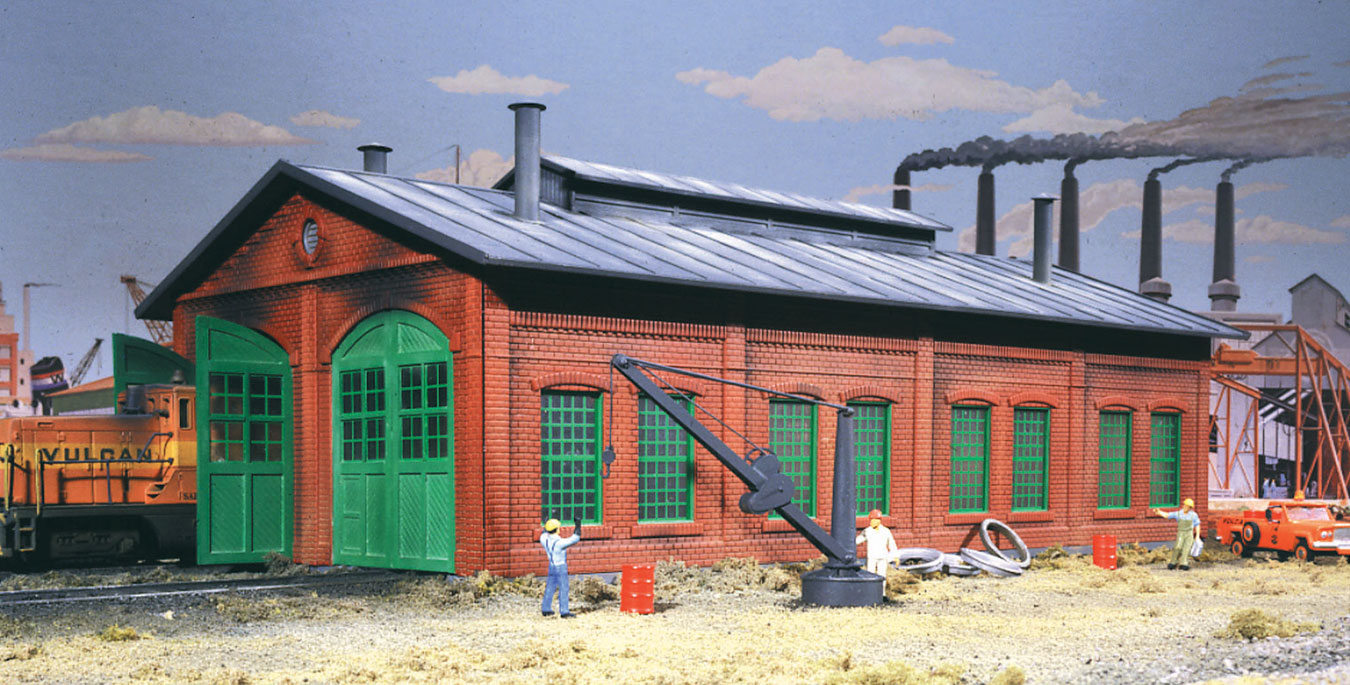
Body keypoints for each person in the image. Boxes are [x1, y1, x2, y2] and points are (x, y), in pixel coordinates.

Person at [540, 515, 582, 618]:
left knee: (550, 587)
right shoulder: (559, 543)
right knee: (564, 588)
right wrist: (578, 524)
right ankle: (564, 611)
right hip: (560, 566)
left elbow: (544, 532)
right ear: (557, 529)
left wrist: (546, 524)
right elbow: (575, 538)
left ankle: (546, 608)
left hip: (551, 565)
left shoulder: (543, 539)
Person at [1153, 498, 1200, 570]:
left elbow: (1197, 525)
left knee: (1186, 548)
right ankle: (1173, 562)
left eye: (1188, 506)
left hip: (1189, 534)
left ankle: (1184, 563)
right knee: (1178, 547)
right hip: (1181, 533)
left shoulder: (1193, 515)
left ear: (1190, 508)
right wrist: (1159, 512)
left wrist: (1197, 536)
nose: (1186, 507)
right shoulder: (1178, 514)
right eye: (1185, 505)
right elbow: (1167, 515)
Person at [855, 509, 898, 575]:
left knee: (882, 574)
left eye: (874, 520)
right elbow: (858, 540)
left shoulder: (885, 531)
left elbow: (892, 544)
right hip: (871, 557)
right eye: (871, 520)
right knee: (870, 574)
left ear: (879, 521)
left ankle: (882, 582)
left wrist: (895, 556)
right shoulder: (867, 531)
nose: (872, 522)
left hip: (882, 556)